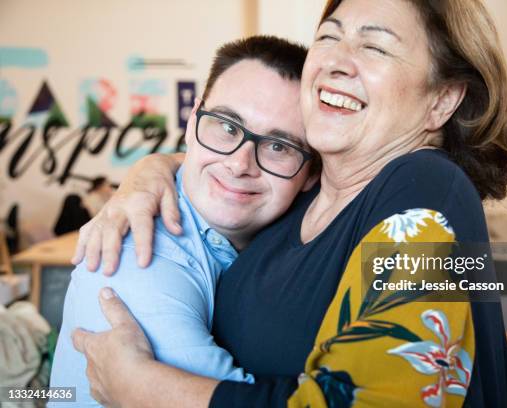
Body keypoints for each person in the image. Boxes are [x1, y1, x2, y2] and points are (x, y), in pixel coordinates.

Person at [70, 0, 507, 406]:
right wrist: (150, 171)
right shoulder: (299, 197)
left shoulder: (433, 190)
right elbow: (236, 159)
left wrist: (143, 390)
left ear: (443, 99)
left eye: (375, 47)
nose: (336, 62)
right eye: (328, 37)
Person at [50, 36, 318, 406]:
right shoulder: (136, 255)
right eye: (227, 126)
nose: (240, 164)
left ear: (311, 173)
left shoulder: (312, 218)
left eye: (278, 146)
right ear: (193, 123)